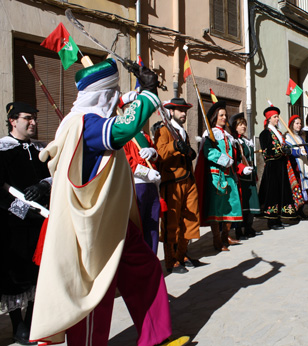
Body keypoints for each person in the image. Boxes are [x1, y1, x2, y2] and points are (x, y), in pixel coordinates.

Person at [30, 59, 184, 346]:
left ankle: (155, 337)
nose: (117, 99)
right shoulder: (84, 125)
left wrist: (141, 89)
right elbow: (119, 131)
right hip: (93, 226)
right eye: (112, 94)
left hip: (114, 222)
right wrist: (149, 92)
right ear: (102, 96)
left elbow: (122, 115)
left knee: (145, 269)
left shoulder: (85, 119)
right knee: (94, 292)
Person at [0, 102, 51, 345]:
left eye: (34, 118)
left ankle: (32, 320)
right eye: (27, 118)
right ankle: (17, 324)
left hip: (40, 223)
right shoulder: (2, 150)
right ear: (13, 121)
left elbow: (54, 174)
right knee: (15, 276)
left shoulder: (40, 149)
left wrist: (43, 185)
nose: (33, 122)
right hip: (13, 225)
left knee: (38, 273)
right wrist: (23, 210)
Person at [155, 98, 200, 273]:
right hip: (172, 182)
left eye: (185, 110)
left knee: (190, 220)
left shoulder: (183, 132)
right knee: (171, 223)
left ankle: (182, 254)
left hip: (188, 179)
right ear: (171, 111)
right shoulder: (163, 130)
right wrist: (175, 145)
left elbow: (186, 152)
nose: (184, 113)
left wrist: (189, 152)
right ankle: (170, 260)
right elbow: (161, 154)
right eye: (180, 110)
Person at [197, 100, 243, 250]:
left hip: (229, 174)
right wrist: (224, 160)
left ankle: (226, 236)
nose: (224, 117)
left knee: (232, 204)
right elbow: (208, 151)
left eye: (225, 115)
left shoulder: (227, 135)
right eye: (221, 115)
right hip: (217, 176)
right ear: (215, 117)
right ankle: (217, 240)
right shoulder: (210, 134)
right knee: (217, 208)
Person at [121, 92, 162, 254]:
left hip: (151, 185)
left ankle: (152, 259)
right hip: (136, 185)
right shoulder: (123, 134)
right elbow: (127, 162)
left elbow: (156, 157)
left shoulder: (144, 135)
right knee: (137, 227)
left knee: (152, 226)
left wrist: (153, 152)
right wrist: (146, 173)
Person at [258, 106, 303, 229]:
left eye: (277, 116)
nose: (277, 119)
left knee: (281, 193)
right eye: (275, 117)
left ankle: (278, 218)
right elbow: (266, 152)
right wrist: (280, 151)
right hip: (272, 167)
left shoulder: (279, 133)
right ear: (269, 119)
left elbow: (283, 148)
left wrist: (287, 150)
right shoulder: (265, 133)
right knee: (272, 193)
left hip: (282, 166)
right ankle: (271, 221)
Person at [229, 112, 262, 238]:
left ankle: (249, 227)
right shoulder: (234, 141)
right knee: (242, 204)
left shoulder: (246, 140)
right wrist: (242, 169)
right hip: (241, 176)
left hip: (250, 176)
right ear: (235, 126)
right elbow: (235, 159)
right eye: (241, 125)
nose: (244, 127)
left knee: (251, 203)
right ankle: (239, 230)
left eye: (244, 124)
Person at [285, 114, 308, 218]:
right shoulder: (287, 137)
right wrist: (298, 152)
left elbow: (306, 151)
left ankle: (302, 211)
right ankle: (296, 211)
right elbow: (289, 151)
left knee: (305, 188)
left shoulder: (300, 137)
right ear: (291, 124)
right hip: (296, 166)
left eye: (300, 123)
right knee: (298, 188)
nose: (299, 125)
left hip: (304, 165)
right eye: (296, 123)